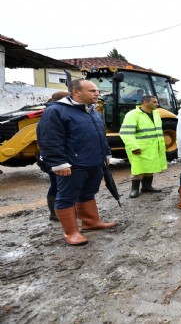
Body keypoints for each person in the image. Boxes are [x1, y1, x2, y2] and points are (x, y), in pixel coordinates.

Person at [36, 80, 117, 246]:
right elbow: (49, 140)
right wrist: (59, 163)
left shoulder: (92, 111)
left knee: (88, 193)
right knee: (66, 197)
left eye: (97, 91)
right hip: (73, 165)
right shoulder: (56, 111)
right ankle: (71, 233)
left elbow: (100, 134)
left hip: (94, 162)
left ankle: (91, 222)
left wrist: (106, 152)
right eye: (92, 90)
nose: (97, 94)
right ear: (76, 92)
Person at [119, 95, 167, 198]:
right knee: (138, 168)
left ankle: (147, 186)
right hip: (139, 147)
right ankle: (134, 189)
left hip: (153, 146)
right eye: (154, 102)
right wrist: (134, 146)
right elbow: (126, 133)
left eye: (156, 102)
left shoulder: (156, 114)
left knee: (151, 167)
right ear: (145, 102)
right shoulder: (133, 114)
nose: (157, 104)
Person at [39, 90, 71, 222]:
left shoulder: (55, 111)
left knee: (58, 185)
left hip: (56, 157)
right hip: (54, 158)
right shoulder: (53, 113)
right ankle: (54, 213)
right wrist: (57, 162)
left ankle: (58, 212)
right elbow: (50, 140)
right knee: (57, 185)